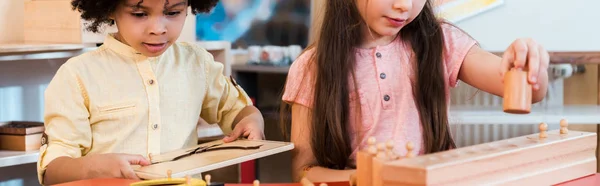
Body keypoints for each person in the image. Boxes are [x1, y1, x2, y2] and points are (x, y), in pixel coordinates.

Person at [280, 0, 549, 182]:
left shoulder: (441, 42)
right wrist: (365, 176)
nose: (405, 6)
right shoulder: (311, 67)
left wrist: (528, 62)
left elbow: (530, 90)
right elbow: (303, 171)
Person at [37, 0, 265, 185]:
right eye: (139, 14)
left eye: (173, 12)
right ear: (109, 8)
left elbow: (238, 111)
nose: (158, 28)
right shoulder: (77, 75)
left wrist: (252, 120)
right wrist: (96, 167)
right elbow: (52, 171)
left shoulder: (198, 63)